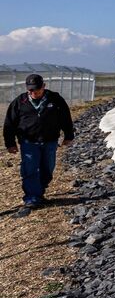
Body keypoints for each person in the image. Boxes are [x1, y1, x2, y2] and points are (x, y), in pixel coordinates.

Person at [4, 74, 74, 217]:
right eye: (30, 90)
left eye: (36, 90)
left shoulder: (55, 100)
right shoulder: (19, 102)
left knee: (48, 168)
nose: (33, 93)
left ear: (43, 86)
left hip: (50, 141)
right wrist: (10, 143)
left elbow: (65, 118)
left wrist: (68, 135)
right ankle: (32, 198)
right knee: (30, 168)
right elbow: (9, 124)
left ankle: (39, 190)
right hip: (28, 142)